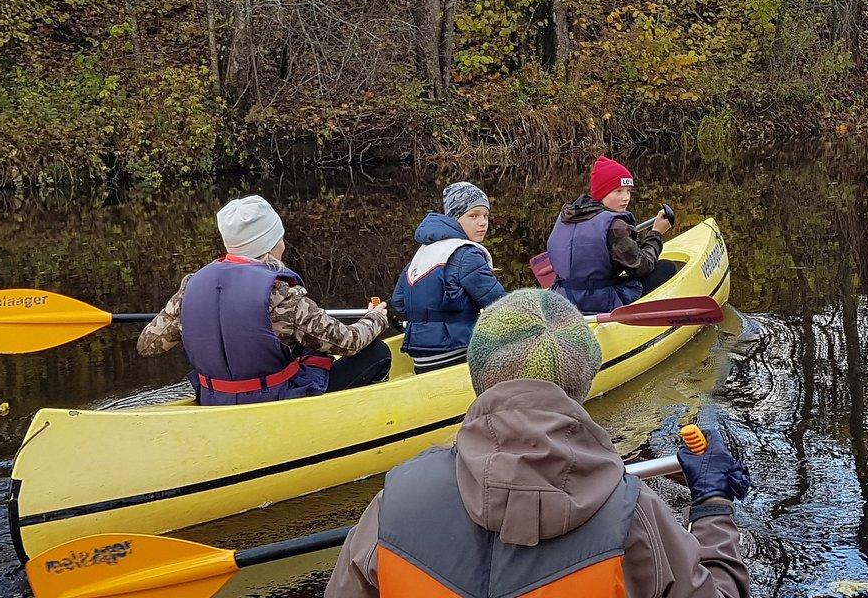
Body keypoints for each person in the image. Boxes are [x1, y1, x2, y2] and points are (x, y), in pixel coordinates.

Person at [326, 289, 751, 597]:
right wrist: (712, 506)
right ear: (583, 387)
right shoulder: (634, 513)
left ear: (477, 380)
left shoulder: (395, 500)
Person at [137, 195, 391, 405]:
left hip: (214, 399)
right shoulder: (281, 295)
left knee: (310, 348)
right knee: (377, 353)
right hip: (273, 402)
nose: (283, 243)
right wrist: (376, 318)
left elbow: (148, 345)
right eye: (279, 236)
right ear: (270, 244)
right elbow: (348, 342)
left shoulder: (190, 286)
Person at [390, 181, 508, 372]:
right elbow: (500, 304)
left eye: (486, 215)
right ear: (455, 218)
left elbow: (399, 303)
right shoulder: (466, 254)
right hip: (455, 350)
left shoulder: (423, 252)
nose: (482, 222)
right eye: (473, 215)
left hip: (420, 354)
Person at [548, 156, 681, 313]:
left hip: (563, 297)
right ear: (602, 192)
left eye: (628, 191)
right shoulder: (614, 226)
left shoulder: (567, 216)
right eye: (618, 191)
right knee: (666, 268)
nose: (625, 198)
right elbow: (642, 267)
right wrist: (656, 233)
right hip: (597, 303)